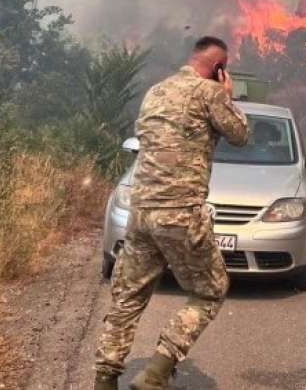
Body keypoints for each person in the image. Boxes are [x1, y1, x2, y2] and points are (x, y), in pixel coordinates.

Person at [94, 36, 249, 390]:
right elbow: (240, 134)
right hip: (180, 214)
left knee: (127, 298)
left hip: (141, 214)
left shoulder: (155, 92)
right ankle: (155, 374)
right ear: (219, 68)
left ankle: (104, 379)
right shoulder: (209, 92)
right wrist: (226, 96)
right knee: (211, 290)